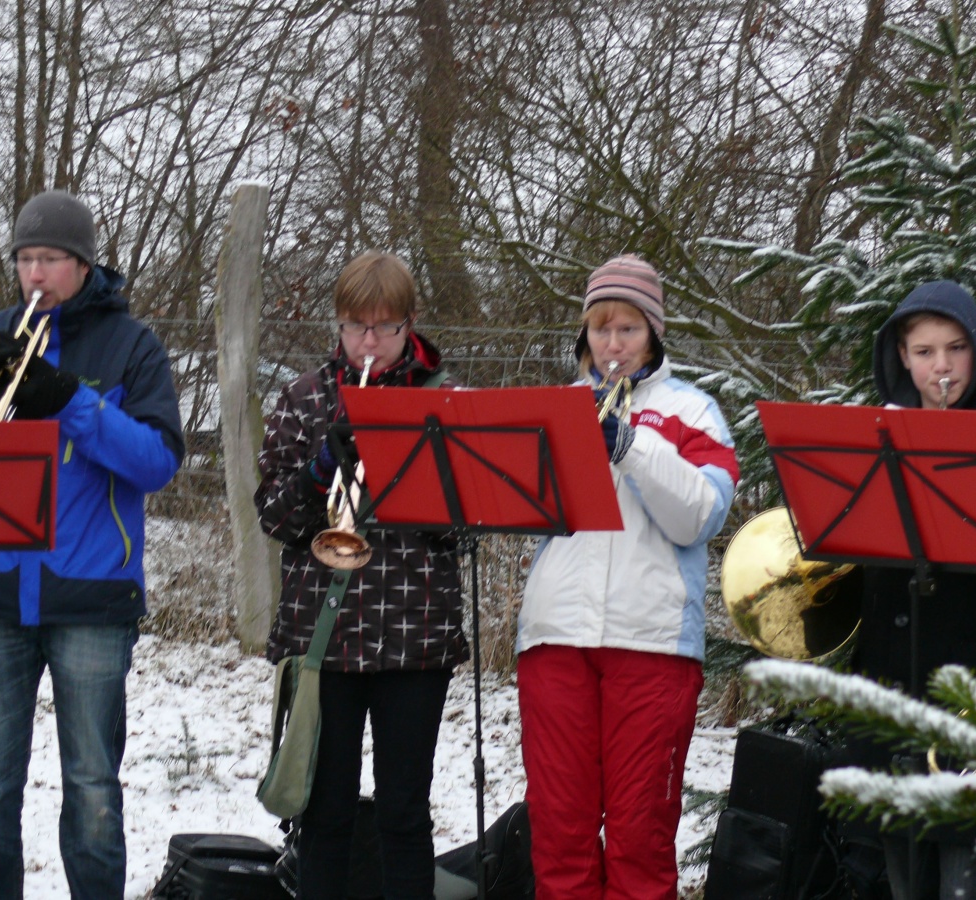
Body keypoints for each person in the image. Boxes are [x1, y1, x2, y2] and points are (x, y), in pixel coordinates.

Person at [0, 189, 185, 899]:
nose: (36, 275)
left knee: (95, 793)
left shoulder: (133, 345)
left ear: (83, 265)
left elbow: (158, 461)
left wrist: (69, 398)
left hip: (93, 597)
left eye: (51, 260)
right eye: (25, 260)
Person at [515, 254, 739, 899]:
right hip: (556, 637)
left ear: (655, 334)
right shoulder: (555, 407)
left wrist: (632, 446)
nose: (612, 345)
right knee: (560, 833)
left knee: (641, 838)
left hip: (653, 644)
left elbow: (697, 518)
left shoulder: (694, 412)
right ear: (583, 334)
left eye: (629, 330)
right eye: (600, 329)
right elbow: (524, 510)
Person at [254, 251, 466, 899]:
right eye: (354, 327)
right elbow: (274, 515)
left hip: (415, 633)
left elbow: (469, 523)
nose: (367, 342)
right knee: (325, 816)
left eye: (383, 327)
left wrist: (412, 474)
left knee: (404, 814)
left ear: (409, 326)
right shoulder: (302, 397)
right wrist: (323, 468)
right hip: (325, 633)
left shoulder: (445, 402)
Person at [852, 279, 976, 900]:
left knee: (969, 882)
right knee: (904, 882)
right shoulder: (871, 443)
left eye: (956, 348)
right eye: (923, 352)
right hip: (892, 697)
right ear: (901, 359)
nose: (940, 366)